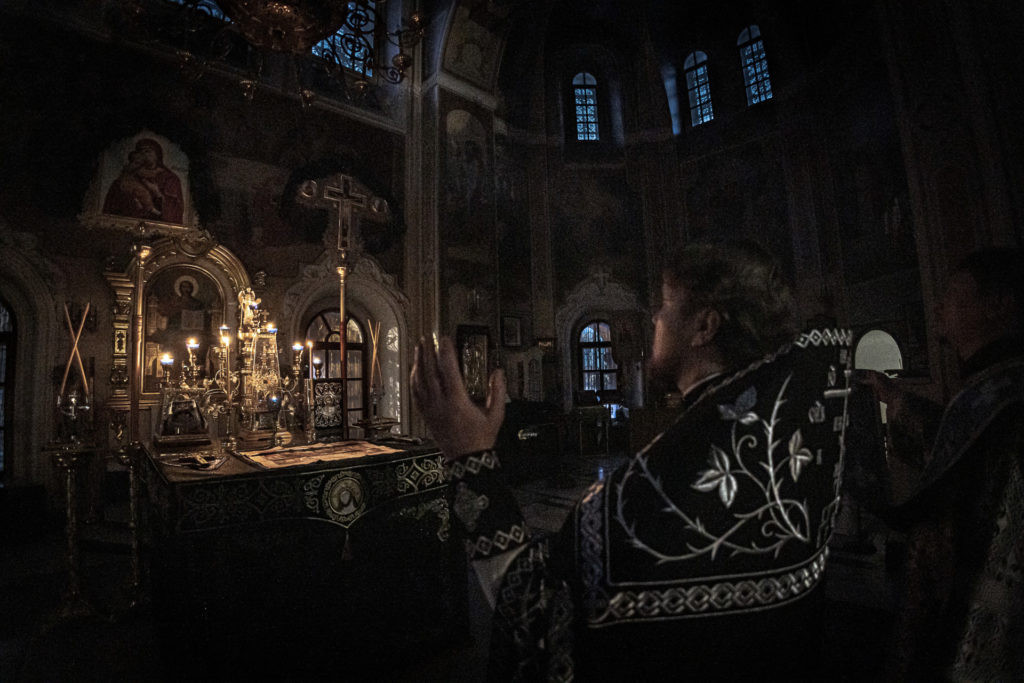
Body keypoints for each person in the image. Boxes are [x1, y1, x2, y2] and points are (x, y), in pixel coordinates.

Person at [412, 241, 854, 681]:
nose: (655, 319)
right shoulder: (797, 436)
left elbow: (536, 615)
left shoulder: (653, 492)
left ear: (704, 326)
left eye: (665, 305)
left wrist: (469, 455)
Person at [860, 245, 1024, 681]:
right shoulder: (991, 386)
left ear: (997, 305)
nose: (937, 307)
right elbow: (959, 448)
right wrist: (894, 399)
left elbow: (956, 476)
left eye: (951, 295)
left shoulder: (997, 390)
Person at [103, 138, 185, 223]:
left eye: (148, 151)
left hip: (157, 223)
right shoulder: (132, 173)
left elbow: (175, 210)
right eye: (141, 151)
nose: (145, 154)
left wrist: (158, 194)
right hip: (129, 222)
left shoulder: (170, 178)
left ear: (157, 154)